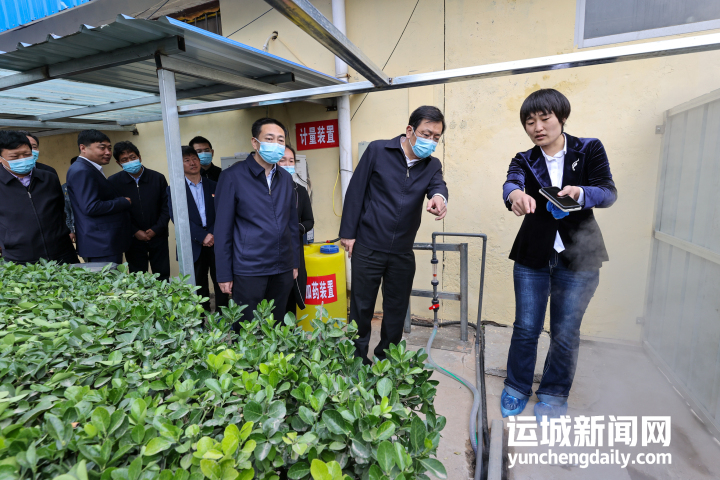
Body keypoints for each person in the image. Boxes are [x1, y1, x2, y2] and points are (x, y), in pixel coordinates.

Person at [500, 89, 617, 421]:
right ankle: (516, 387)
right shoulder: (524, 158)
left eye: (545, 118)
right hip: (532, 255)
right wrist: (515, 196)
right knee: (526, 327)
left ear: (562, 117)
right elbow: (511, 183)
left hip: (580, 256)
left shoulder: (588, 148)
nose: (537, 127)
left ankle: (553, 393)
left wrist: (582, 192)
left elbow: (608, 192)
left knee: (566, 331)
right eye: (529, 122)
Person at [339, 106, 449, 364]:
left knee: (396, 309)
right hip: (368, 245)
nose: (431, 141)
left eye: (436, 137)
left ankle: (386, 360)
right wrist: (348, 234)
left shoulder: (432, 165)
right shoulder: (378, 150)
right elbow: (355, 191)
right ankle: (356, 359)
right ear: (410, 130)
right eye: (426, 134)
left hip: (402, 250)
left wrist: (439, 197)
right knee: (361, 307)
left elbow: (438, 185)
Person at [214, 118, 299, 328]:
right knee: (247, 328)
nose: (276, 144)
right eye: (269, 139)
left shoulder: (286, 179)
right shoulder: (232, 177)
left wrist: (294, 263)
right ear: (255, 142)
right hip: (249, 269)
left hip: (282, 268)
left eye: (280, 140)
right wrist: (224, 273)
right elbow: (223, 230)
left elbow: (292, 225)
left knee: (276, 327)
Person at [0, 130, 78, 264]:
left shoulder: (49, 178)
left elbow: (60, 209)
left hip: (62, 253)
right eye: (14, 156)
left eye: (27, 154)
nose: (22, 159)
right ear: (1, 158)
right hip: (20, 258)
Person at [168, 146, 228, 312]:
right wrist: (202, 236)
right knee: (197, 286)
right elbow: (177, 217)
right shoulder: (175, 189)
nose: (192, 163)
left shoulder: (214, 185)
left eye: (194, 158)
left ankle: (223, 317)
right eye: (186, 160)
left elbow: (223, 212)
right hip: (192, 244)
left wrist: (212, 234)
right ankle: (201, 319)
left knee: (221, 281)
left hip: (216, 242)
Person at [66, 130, 133, 264]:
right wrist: (122, 202)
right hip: (100, 242)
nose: (108, 152)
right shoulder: (82, 170)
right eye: (102, 148)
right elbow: (91, 207)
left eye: (109, 148)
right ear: (83, 148)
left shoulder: (89, 168)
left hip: (104, 242)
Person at [108, 141, 171, 281]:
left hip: (158, 236)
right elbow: (117, 212)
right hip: (133, 239)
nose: (130, 162)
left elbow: (167, 207)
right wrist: (135, 231)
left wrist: (156, 229)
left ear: (139, 157)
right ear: (119, 163)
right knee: (137, 278)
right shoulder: (113, 182)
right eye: (125, 160)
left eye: (133, 157)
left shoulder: (157, 178)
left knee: (162, 276)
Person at [278, 145, 314, 317]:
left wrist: (295, 229)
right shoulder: (262, 189)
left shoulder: (300, 191)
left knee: (291, 297)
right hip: (268, 254)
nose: (287, 164)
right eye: (282, 160)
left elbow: (309, 221)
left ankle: (289, 331)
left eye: (291, 161)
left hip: (293, 251)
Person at [61, 157, 78, 244]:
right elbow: (66, 211)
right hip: (78, 229)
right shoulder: (65, 188)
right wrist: (71, 230)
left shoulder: (94, 183)